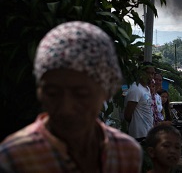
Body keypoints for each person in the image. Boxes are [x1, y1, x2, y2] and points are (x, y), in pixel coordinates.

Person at [0, 21, 142, 172]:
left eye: (81, 94)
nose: (66, 108)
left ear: (107, 90)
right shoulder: (15, 158)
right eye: (52, 93)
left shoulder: (126, 153)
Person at [124, 62, 155, 142]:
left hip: (148, 133)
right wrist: (137, 123)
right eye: (148, 73)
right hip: (138, 135)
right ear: (141, 73)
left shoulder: (147, 89)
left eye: (153, 74)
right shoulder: (136, 89)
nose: (151, 76)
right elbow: (127, 115)